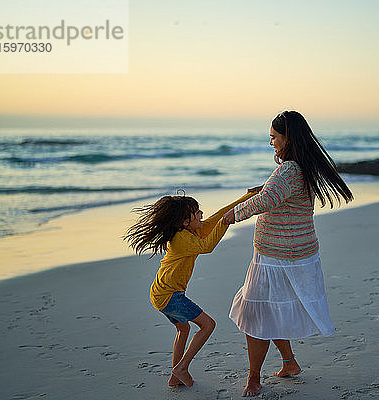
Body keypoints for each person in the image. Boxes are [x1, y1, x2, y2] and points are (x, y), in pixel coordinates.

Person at [223, 111, 354, 397]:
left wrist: (230, 216)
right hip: (295, 253)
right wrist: (266, 187)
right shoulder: (303, 167)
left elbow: (269, 200)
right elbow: (280, 193)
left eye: (273, 137)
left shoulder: (288, 170)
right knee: (273, 308)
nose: (271, 142)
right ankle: (289, 362)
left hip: (276, 256)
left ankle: (254, 378)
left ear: (287, 138)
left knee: (256, 313)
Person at [124, 190, 256, 388]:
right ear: (185, 221)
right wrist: (225, 223)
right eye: (197, 212)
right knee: (208, 325)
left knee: (183, 328)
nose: (202, 214)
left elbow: (220, 213)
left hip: (160, 293)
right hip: (170, 295)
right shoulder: (181, 239)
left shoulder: (191, 230)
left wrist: (249, 197)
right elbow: (207, 246)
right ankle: (181, 368)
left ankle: (175, 377)